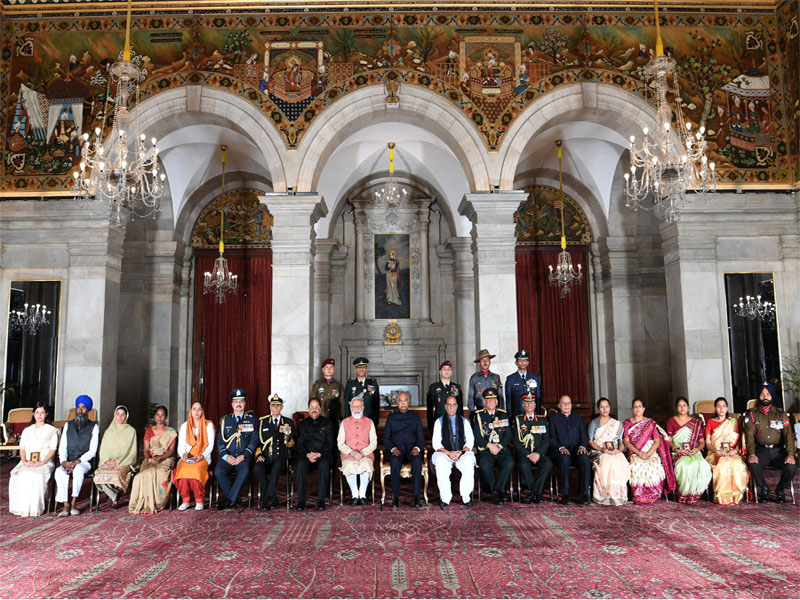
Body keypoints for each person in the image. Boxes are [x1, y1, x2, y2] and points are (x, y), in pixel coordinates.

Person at [742, 381, 797, 503]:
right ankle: (764, 488)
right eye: (762, 394)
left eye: (768, 394)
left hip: (778, 451)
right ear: (759, 396)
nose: (765, 397)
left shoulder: (780, 414)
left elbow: (788, 435)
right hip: (761, 451)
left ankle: (780, 490)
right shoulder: (752, 414)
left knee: (791, 467)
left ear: (772, 396)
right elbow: (749, 436)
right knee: (753, 464)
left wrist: (790, 455)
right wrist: (751, 454)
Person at [623, 398, 676, 505]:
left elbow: (657, 441)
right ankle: (639, 496)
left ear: (644, 409)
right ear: (632, 409)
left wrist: (648, 453)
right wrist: (639, 453)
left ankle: (652, 495)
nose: (637, 409)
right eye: (635, 406)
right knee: (637, 466)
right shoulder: (628, 423)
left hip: (650, 451)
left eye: (639, 406)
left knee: (654, 466)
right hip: (635, 452)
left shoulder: (650, 423)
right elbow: (626, 442)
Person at [8, 403, 58, 517]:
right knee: (20, 475)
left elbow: (52, 450)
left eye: (42, 413)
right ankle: (20, 508)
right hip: (28, 462)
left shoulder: (52, 430)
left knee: (36, 476)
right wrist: (25, 461)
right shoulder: (27, 430)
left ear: (46, 414)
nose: (39, 415)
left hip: (44, 462)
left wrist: (42, 462)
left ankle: (35, 509)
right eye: (37, 412)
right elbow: (22, 449)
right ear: (33, 414)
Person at [214, 388, 258, 510]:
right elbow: (220, 442)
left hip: (243, 457)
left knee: (244, 471)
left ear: (245, 403)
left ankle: (229, 500)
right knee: (218, 472)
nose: (238, 404)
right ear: (232, 404)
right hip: (227, 456)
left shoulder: (252, 420)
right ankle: (234, 498)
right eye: (236, 401)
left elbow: (254, 441)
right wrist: (226, 456)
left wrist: (243, 456)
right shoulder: (225, 421)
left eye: (241, 401)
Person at [55, 395, 99, 516]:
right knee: (59, 472)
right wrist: (64, 462)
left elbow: (92, 451)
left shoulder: (94, 427)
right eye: (78, 408)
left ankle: (74, 502)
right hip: (68, 461)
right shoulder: (68, 425)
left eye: (84, 408)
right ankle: (65, 504)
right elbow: (62, 447)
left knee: (78, 470)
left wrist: (77, 462)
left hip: (84, 462)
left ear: (88, 410)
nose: (80, 410)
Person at [129, 405, 178, 514]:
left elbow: (171, 451)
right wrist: (149, 459)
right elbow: (146, 450)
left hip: (166, 458)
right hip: (151, 458)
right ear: (154, 417)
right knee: (140, 476)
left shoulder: (171, 432)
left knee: (159, 472)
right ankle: (143, 503)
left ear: (166, 417)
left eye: (162, 415)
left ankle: (157, 503)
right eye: (157, 415)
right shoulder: (149, 431)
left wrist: (161, 457)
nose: (160, 417)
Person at [431, 395, 476, 508]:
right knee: (440, 463)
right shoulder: (439, 422)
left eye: (454, 404)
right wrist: (449, 453)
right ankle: (446, 497)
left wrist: (460, 452)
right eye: (449, 404)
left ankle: (466, 497)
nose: (451, 407)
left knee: (469, 461)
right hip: (445, 453)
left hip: (461, 453)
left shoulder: (464, 421)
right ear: (445, 407)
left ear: (457, 406)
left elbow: (470, 441)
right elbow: (436, 443)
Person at [666, 396, 712, 504]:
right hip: (678, 452)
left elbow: (702, 442)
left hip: (693, 452)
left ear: (688, 408)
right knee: (683, 466)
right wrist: (675, 449)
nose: (682, 408)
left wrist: (696, 449)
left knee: (702, 465)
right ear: (676, 408)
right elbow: (668, 440)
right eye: (679, 406)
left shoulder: (695, 423)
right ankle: (683, 494)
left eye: (684, 405)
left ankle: (695, 494)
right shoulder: (671, 421)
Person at [383, 390, 425, 507]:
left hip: (412, 450)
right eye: (400, 401)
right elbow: (386, 438)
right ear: (397, 403)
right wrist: (392, 449)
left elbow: (421, 438)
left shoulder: (415, 417)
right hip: (397, 450)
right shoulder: (391, 418)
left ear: (409, 402)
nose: (403, 403)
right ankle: (395, 497)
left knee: (417, 462)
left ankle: (417, 498)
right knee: (395, 462)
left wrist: (417, 448)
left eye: (405, 400)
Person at [705, 396, 749, 505]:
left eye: (724, 406)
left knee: (736, 463)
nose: (721, 409)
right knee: (723, 463)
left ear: (727, 408)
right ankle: (723, 496)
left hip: (731, 452)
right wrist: (717, 451)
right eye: (719, 406)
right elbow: (708, 443)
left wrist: (735, 451)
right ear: (715, 408)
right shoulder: (710, 422)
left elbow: (739, 442)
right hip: (715, 453)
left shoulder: (733, 422)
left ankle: (736, 495)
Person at [473, 388, 514, 504]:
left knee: (509, 463)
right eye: (488, 400)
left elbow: (508, 434)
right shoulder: (479, 416)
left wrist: (500, 446)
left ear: (497, 402)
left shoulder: (503, 414)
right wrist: (490, 446)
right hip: (486, 450)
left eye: (493, 400)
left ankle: (496, 491)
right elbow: (477, 436)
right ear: (484, 402)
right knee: (485, 465)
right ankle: (498, 492)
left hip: (501, 449)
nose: (491, 402)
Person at [254, 394, 294, 510]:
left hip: (280, 456)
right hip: (266, 456)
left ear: (282, 407)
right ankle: (273, 498)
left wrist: (288, 437)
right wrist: (259, 454)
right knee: (257, 468)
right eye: (273, 406)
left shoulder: (287, 422)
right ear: (270, 407)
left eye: (278, 406)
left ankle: (266, 499)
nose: (275, 408)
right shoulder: (263, 422)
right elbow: (259, 442)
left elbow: (291, 443)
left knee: (277, 466)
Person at [550, 394, 592, 504]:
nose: (566, 405)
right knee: (564, 458)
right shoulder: (553, 419)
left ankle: (585, 493)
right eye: (564, 403)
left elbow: (584, 436)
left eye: (568, 403)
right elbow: (552, 439)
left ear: (571, 405)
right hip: (561, 452)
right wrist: (561, 447)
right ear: (559, 405)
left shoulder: (578, 418)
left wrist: (582, 447)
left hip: (577, 451)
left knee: (585, 458)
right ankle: (565, 494)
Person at [587, 397, 630, 505]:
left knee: (619, 462)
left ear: (610, 408)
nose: (605, 409)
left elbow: (621, 442)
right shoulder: (594, 423)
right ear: (598, 409)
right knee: (607, 462)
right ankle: (605, 495)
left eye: (607, 406)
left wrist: (618, 450)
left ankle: (617, 495)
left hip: (614, 451)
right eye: (602, 407)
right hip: (599, 451)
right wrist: (602, 449)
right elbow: (590, 441)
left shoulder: (617, 424)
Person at [173, 400, 215, 511]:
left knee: (196, 470)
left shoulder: (208, 425)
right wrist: (183, 454)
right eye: (194, 409)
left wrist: (202, 456)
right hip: (188, 457)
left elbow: (210, 445)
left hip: (202, 457)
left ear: (202, 411)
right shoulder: (184, 426)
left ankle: (198, 500)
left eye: (199, 409)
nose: (196, 411)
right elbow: (181, 445)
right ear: (190, 411)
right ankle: (185, 500)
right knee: (181, 471)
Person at [94, 405, 138, 508]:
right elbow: (103, 450)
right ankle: (114, 495)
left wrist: (119, 462)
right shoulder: (109, 432)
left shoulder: (131, 431)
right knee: (98, 474)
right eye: (118, 414)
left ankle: (112, 496)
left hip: (123, 462)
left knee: (117, 474)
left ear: (126, 416)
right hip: (108, 462)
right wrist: (106, 461)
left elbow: (131, 452)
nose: (120, 417)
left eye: (123, 415)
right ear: (115, 416)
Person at [296, 398, 335, 511]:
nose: (314, 410)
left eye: (316, 407)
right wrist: (307, 454)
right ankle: (301, 501)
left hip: (322, 455)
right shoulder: (303, 424)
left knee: (324, 464)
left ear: (320, 409)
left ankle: (321, 500)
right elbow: (300, 444)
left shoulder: (327, 423)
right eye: (312, 407)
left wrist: (319, 454)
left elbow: (330, 443)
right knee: (300, 465)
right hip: (307, 455)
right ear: (308, 409)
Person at [513, 392, 552, 503]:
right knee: (524, 465)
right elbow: (516, 442)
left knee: (548, 464)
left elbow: (546, 440)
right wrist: (529, 454)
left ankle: (533, 493)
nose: (529, 405)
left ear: (535, 405)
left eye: (532, 402)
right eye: (527, 402)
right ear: (523, 405)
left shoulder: (542, 420)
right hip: (525, 454)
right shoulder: (518, 421)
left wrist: (538, 453)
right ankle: (538, 494)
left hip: (539, 453)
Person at [338, 397, 377, 505]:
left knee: (365, 464)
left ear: (363, 407)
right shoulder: (344, 422)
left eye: (359, 406)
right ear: (350, 408)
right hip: (348, 455)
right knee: (350, 466)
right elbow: (340, 443)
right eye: (354, 406)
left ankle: (362, 495)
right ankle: (355, 495)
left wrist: (362, 453)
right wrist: (351, 452)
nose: (357, 408)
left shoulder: (369, 422)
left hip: (366, 455)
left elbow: (373, 442)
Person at [426, 360, 463, 431]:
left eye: (449, 369)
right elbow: (429, 409)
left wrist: (461, 424)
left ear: (451, 372)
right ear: (440, 372)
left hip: (454, 423)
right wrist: (431, 426)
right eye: (444, 369)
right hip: (439, 422)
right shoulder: (434, 387)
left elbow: (460, 408)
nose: (446, 371)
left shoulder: (457, 387)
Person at [505, 349, 541, 419]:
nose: (523, 363)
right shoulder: (510, 379)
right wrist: (509, 417)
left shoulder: (535, 378)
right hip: (517, 416)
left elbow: (538, 398)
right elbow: (508, 400)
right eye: (520, 360)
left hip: (532, 415)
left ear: (528, 362)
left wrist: (538, 415)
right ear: (516, 363)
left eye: (525, 360)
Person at [467, 349, 504, 416]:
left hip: (494, 413)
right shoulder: (474, 378)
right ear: (479, 363)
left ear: (490, 362)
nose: (485, 362)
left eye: (487, 360)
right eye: (482, 360)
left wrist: (502, 414)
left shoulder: (496, 378)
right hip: (479, 412)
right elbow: (470, 399)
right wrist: (471, 416)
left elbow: (500, 397)